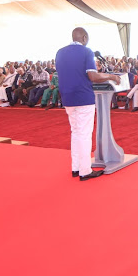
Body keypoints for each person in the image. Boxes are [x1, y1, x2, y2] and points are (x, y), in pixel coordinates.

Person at [55, 27, 120, 181]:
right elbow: (92, 76)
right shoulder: (86, 52)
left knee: (75, 132)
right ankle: (85, 171)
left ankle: (76, 167)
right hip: (83, 97)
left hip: (67, 98)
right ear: (84, 38)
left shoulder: (60, 52)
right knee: (84, 134)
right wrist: (111, 76)